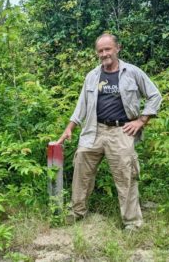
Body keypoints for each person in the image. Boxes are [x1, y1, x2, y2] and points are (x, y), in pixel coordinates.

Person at [55, 33, 162, 229]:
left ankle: (132, 223)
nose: (104, 54)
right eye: (100, 51)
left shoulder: (132, 72)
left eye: (108, 49)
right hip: (94, 130)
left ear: (117, 48)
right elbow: (82, 105)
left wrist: (141, 120)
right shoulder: (92, 76)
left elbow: (155, 96)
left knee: (126, 175)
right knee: (81, 168)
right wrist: (69, 128)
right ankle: (77, 212)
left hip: (122, 131)